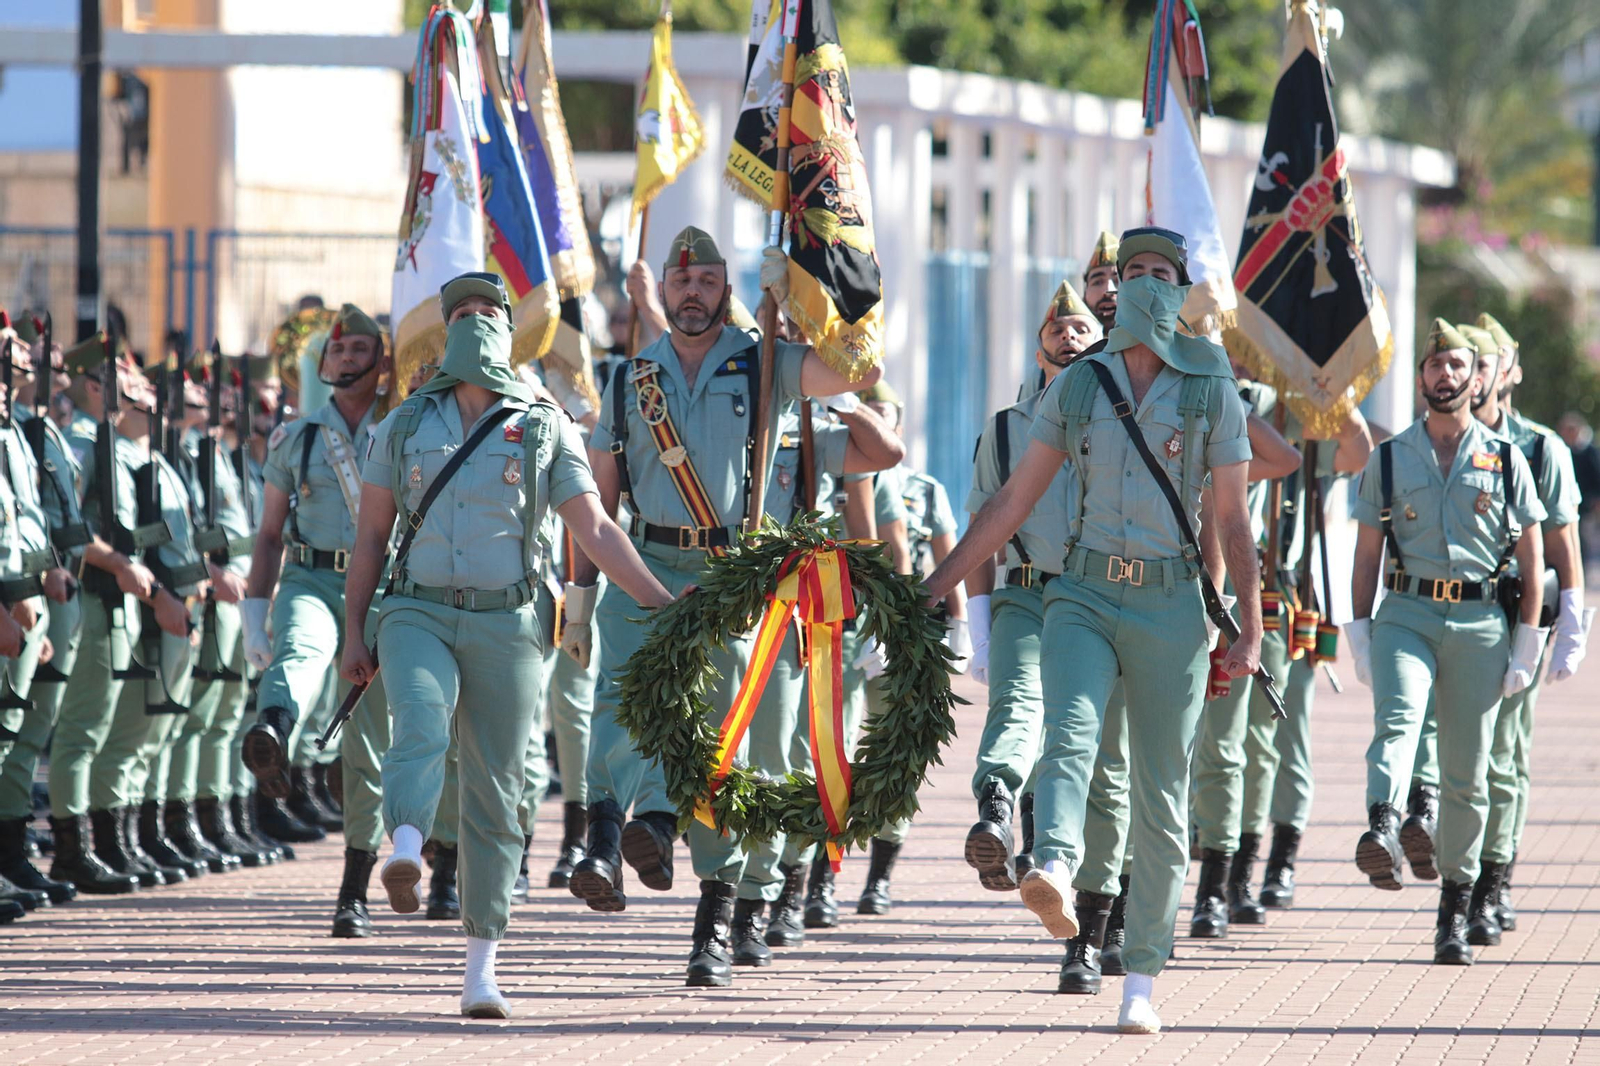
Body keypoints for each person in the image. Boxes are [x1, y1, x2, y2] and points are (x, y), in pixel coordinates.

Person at [925, 227, 1261, 1033]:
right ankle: (1057, 866)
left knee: (1160, 797)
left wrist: (1245, 624)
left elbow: (1233, 521)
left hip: (1172, 606)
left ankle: (1140, 978)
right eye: (1130, 273)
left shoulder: (1211, 385)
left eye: (1159, 275)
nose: (1142, 286)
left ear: (1181, 292)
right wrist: (932, 589)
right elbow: (1009, 502)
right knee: (1068, 734)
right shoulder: (1081, 386)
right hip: (1081, 593)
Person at [340, 270, 675, 1018]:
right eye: (463, 313)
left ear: (511, 329)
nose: (478, 324)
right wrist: (351, 633)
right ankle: (405, 846)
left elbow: (594, 528)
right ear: (443, 329)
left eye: (490, 312)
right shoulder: (402, 425)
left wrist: (658, 597)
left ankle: (481, 965)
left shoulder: (544, 423)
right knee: (421, 723)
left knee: (500, 791)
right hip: (416, 612)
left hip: (510, 620)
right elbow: (368, 539)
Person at [565, 226, 886, 989]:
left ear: (726, 288)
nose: (692, 293)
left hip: (734, 577)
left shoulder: (764, 362)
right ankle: (619, 837)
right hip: (641, 561)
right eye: (681, 283)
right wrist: (581, 594)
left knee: (723, 748)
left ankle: (714, 921)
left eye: (707, 280)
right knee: (617, 709)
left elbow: (858, 370)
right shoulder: (626, 378)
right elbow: (600, 499)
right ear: (662, 293)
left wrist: (820, 292)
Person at [1346, 319, 1545, 966]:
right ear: (1421, 378)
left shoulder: (1506, 456)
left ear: (1476, 376)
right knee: (1399, 719)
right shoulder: (1390, 456)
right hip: (1406, 610)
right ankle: (1383, 820)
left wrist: (1528, 641)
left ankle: (1454, 908)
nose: (1446, 375)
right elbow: (1367, 550)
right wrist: (1358, 629)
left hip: (1480, 622)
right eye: (1435, 366)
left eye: (1457, 365)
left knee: (1469, 772)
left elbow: (1533, 550)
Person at [240, 303, 394, 933]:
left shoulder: (402, 431)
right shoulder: (296, 438)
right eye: (339, 351)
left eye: (361, 350)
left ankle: (353, 887)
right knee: (299, 649)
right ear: (324, 362)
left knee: (368, 745)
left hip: (381, 591)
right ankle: (272, 735)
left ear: (381, 364)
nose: (348, 359)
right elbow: (270, 533)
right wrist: (256, 611)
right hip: (311, 575)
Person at [963, 280, 1101, 910]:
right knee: (1017, 703)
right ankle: (995, 808)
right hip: (1024, 594)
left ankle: (1053, 852)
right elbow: (979, 528)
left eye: (1081, 331)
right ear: (1039, 351)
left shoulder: (1120, 424)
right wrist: (979, 621)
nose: (1069, 339)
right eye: (1056, 332)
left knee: (1071, 731)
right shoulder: (1003, 431)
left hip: (1097, 600)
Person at [47, 335, 191, 895]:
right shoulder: (84, 443)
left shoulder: (114, 445)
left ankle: (112, 840)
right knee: (85, 730)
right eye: (121, 382)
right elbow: (71, 528)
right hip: (96, 595)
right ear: (93, 385)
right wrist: (121, 565)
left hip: (122, 599)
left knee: (115, 729)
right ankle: (74, 848)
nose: (139, 395)